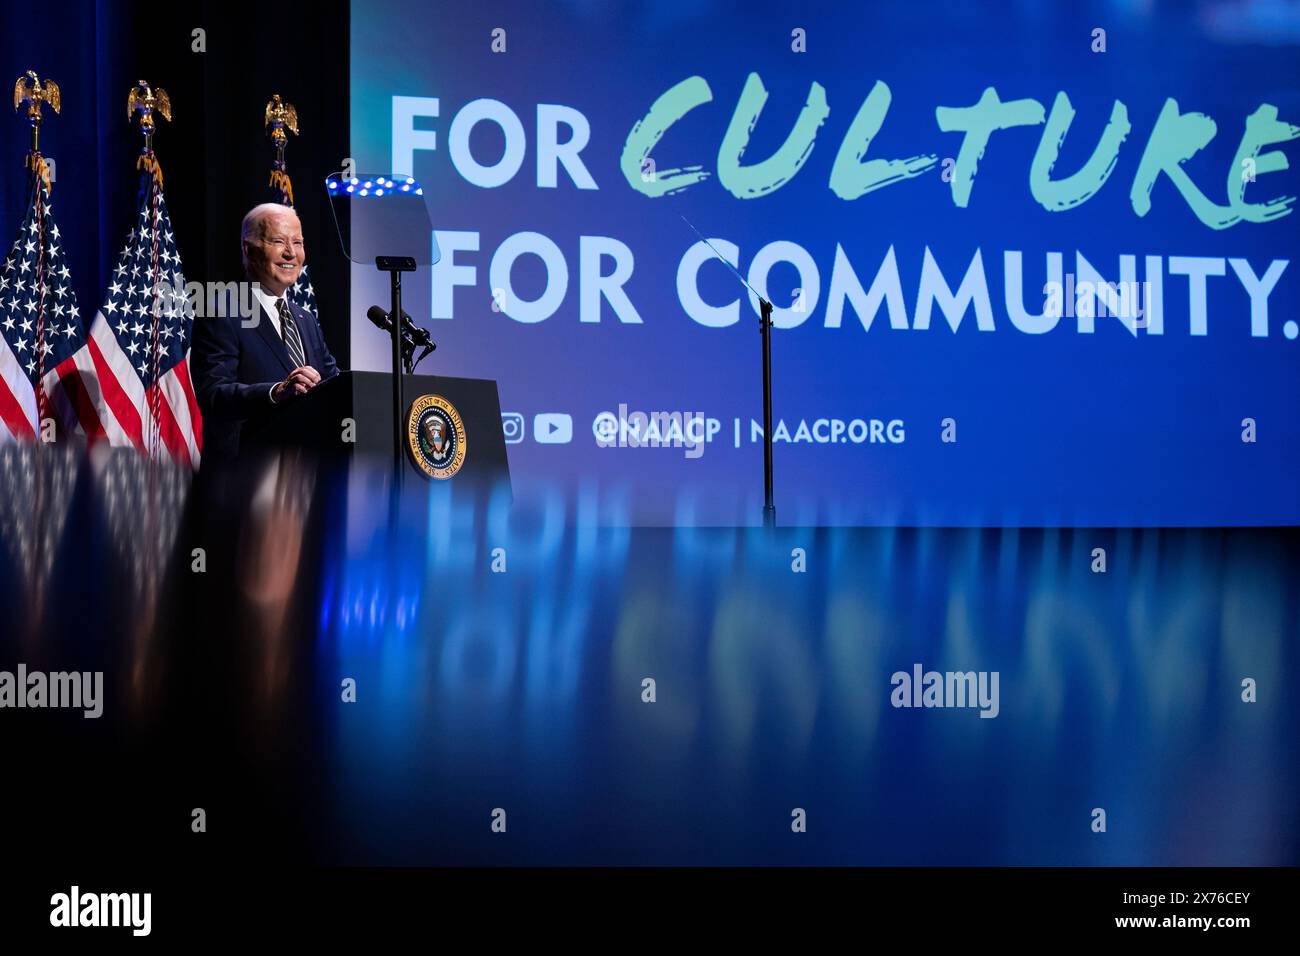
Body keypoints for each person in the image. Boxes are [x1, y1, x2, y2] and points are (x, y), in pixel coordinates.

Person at [190, 204, 339, 461]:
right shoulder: (221, 310)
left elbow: (333, 386)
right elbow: (212, 394)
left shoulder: (306, 320)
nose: (291, 253)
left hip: (305, 471)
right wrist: (276, 392)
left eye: (298, 242)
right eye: (279, 241)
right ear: (250, 250)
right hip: (245, 472)